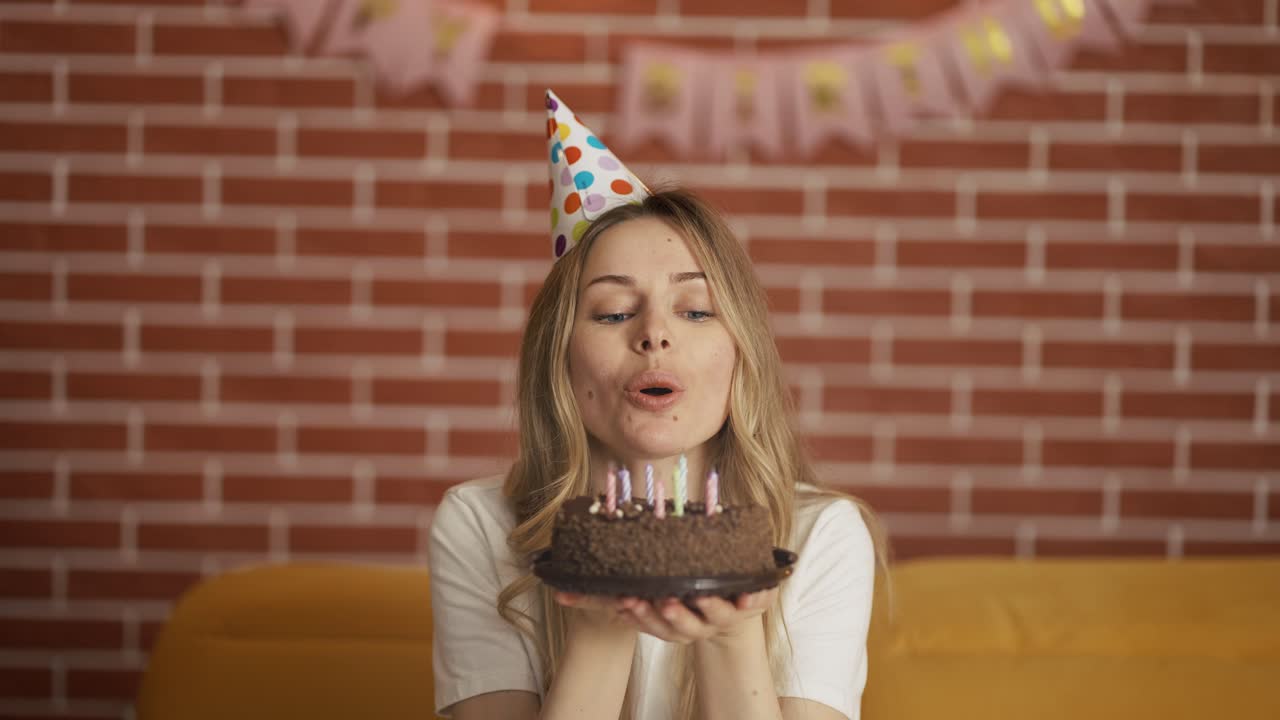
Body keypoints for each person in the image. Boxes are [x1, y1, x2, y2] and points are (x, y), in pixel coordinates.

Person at [428, 89, 888, 720]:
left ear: (739, 352)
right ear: (560, 354)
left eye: (696, 310)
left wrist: (729, 632)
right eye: (614, 311)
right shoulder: (480, 527)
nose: (654, 334)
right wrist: (597, 624)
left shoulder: (821, 535)